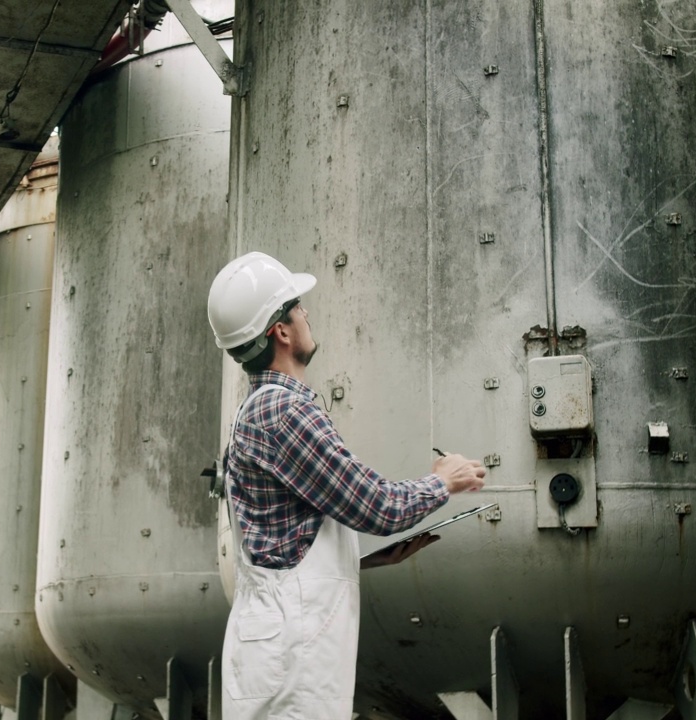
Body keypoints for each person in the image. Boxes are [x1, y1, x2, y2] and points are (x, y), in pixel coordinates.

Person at [207, 251, 487, 720]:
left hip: (281, 656)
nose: (307, 314)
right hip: (291, 665)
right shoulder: (284, 413)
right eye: (298, 306)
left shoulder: (263, 408)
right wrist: (445, 481)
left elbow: (281, 545)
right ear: (281, 330)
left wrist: (366, 557)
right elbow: (377, 508)